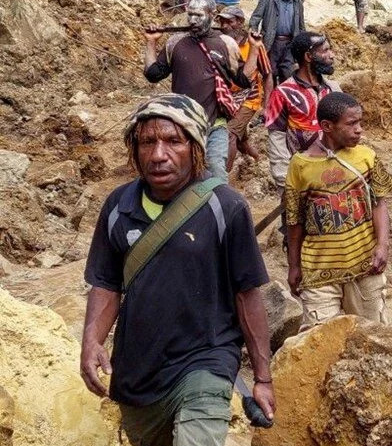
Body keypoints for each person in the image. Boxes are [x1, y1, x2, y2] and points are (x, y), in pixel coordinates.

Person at [81, 94, 273, 446]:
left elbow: (247, 293)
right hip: (139, 374)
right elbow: (107, 283)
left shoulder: (225, 208)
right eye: (147, 142)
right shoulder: (117, 207)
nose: (158, 154)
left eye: (173, 141)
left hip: (206, 363)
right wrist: (91, 342)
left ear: (196, 147)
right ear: (134, 150)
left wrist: (262, 377)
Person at [284, 91, 392, 328]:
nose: (359, 129)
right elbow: (294, 221)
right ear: (327, 126)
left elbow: (379, 203)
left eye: (360, 122)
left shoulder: (366, 157)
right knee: (319, 340)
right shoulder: (301, 165)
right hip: (319, 272)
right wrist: (294, 266)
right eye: (352, 123)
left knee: (372, 336)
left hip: (365, 266)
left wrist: (382, 245)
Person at [144, 0, 257, 182]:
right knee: (184, 176)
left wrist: (254, 48)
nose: (193, 20)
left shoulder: (226, 43)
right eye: (190, 15)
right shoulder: (175, 42)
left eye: (199, 15)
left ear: (212, 15)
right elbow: (153, 74)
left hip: (215, 124)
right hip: (182, 125)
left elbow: (243, 80)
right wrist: (150, 42)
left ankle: (218, 209)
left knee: (217, 173)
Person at [264, 32, 340, 187]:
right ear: (308, 56)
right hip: (301, 177)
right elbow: (277, 140)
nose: (331, 55)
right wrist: (285, 183)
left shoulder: (333, 90)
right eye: (325, 50)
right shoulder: (283, 94)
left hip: (335, 173)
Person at [217, 7, 271, 171]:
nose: (225, 25)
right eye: (222, 21)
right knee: (241, 140)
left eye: (230, 21)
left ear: (240, 23)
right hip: (227, 98)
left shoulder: (253, 44)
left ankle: (222, 179)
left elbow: (267, 74)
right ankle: (258, 162)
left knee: (230, 134)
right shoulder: (219, 42)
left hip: (249, 98)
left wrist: (267, 106)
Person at [249, 0, 305, 85]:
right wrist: (253, 31)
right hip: (272, 41)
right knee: (270, 72)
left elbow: (301, 25)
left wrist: (303, 43)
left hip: (290, 43)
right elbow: (256, 17)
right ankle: (271, 98)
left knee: (288, 72)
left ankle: (284, 97)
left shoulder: (297, 3)